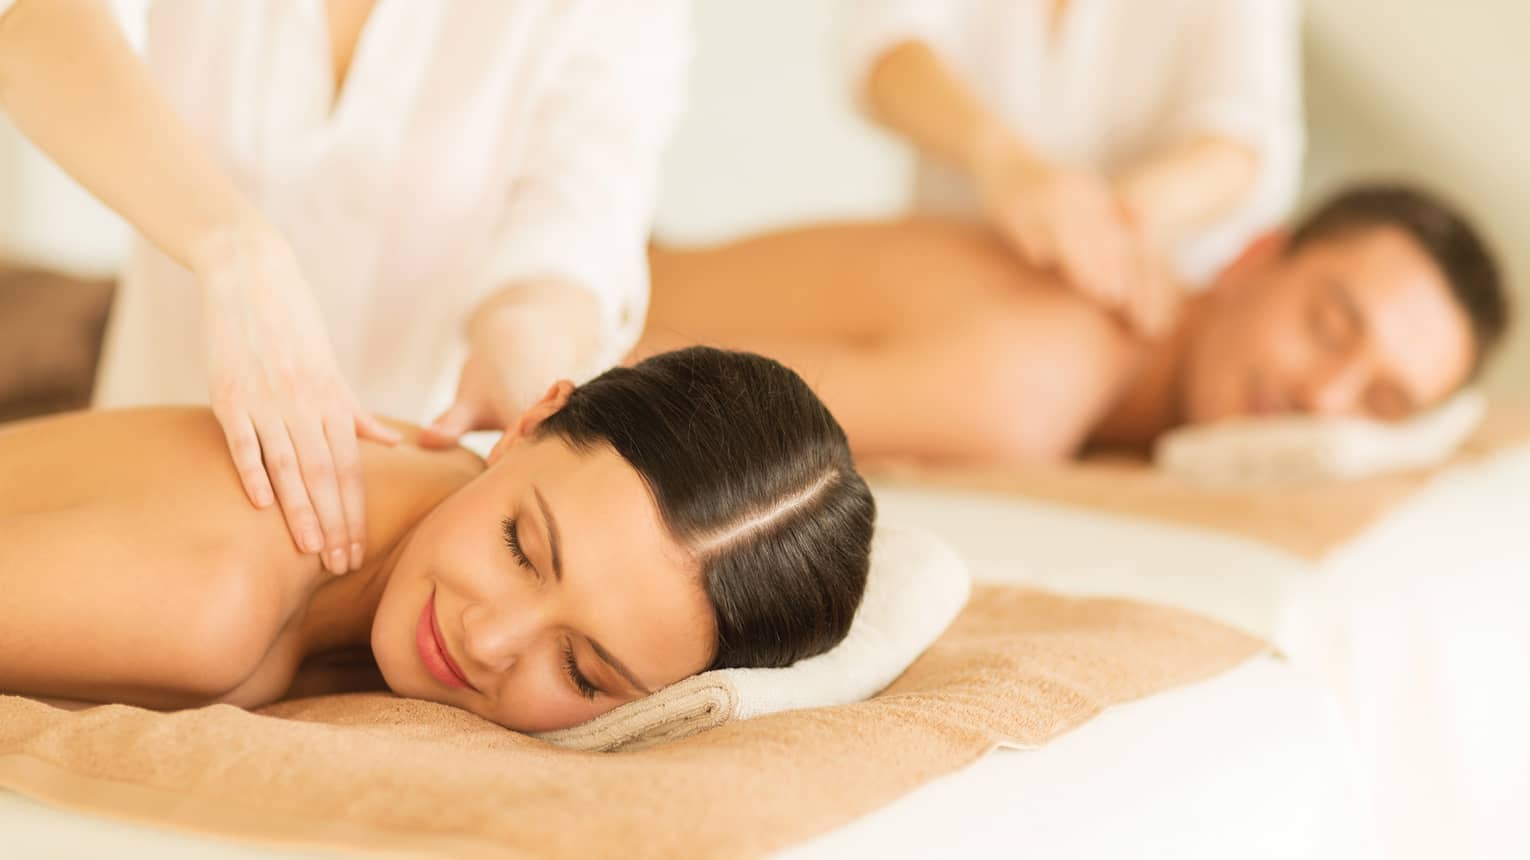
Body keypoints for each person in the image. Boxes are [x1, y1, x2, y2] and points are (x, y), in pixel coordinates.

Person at [0, 0, 685, 576]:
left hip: (411, 545)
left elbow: (575, 232)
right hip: (137, 463)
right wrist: (236, 254)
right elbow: (38, 27)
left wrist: (523, 353)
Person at [0, 347, 877, 733]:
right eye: (521, 548)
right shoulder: (213, 603)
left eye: (582, 671)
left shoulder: (432, 487)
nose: (487, 641)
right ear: (529, 418)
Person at [639, 185, 1510, 465]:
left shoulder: (1121, 411)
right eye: (1327, 325)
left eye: (1382, 401)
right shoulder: (1036, 382)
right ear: (1252, 260)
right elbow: (638, 386)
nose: (1326, 398)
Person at [845, 0, 1303, 334]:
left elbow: (1244, 137)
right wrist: (1003, 161)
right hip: (943, 288)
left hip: (1130, 319)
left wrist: (1128, 215)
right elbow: (887, 49)